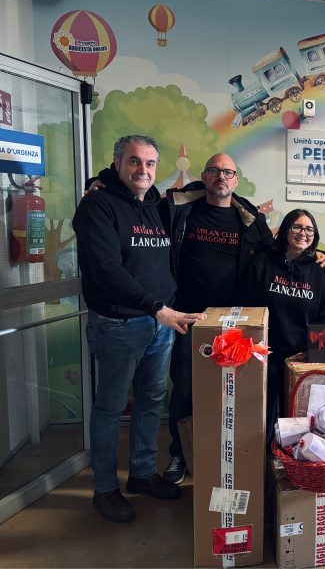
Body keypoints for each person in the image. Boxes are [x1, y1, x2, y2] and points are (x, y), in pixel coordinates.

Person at [73, 135, 204, 523]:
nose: (142, 170)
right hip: (120, 324)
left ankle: (143, 474)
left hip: (159, 325)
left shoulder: (156, 206)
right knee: (111, 407)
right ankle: (105, 489)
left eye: (149, 163)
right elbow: (106, 268)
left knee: (151, 401)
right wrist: (157, 308)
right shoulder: (97, 205)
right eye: (133, 161)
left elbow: (204, 189)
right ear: (117, 163)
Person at [162, 153, 273, 484]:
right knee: (184, 389)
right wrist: (100, 184)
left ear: (235, 180)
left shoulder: (250, 220)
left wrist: (317, 257)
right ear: (204, 175)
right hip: (188, 318)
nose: (220, 177)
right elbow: (138, 206)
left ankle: (224, 455)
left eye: (227, 172)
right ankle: (180, 454)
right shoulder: (180, 210)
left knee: (230, 392)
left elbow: (275, 256)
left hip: (234, 321)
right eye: (214, 171)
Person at [240, 209, 325, 441]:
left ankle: (285, 462)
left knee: (295, 421)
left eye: (309, 229)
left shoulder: (321, 275)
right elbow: (244, 307)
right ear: (285, 230)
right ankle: (260, 459)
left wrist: (311, 353)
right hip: (262, 356)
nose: (303, 233)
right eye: (297, 227)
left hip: (299, 359)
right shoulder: (261, 263)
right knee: (258, 419)